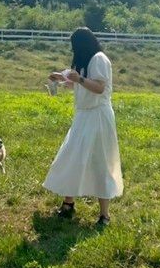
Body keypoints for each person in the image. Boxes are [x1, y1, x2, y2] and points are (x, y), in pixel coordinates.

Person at [42, 27, 123, 226]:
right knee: (73, 156)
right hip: (83, 116)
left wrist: (78, 78)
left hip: (99, 116)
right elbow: (77, 84)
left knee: (99, 161)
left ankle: (104, 215)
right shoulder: (85, 60)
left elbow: (99, 87)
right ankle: (68, 204)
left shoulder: (99, 59)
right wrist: (63, 79)